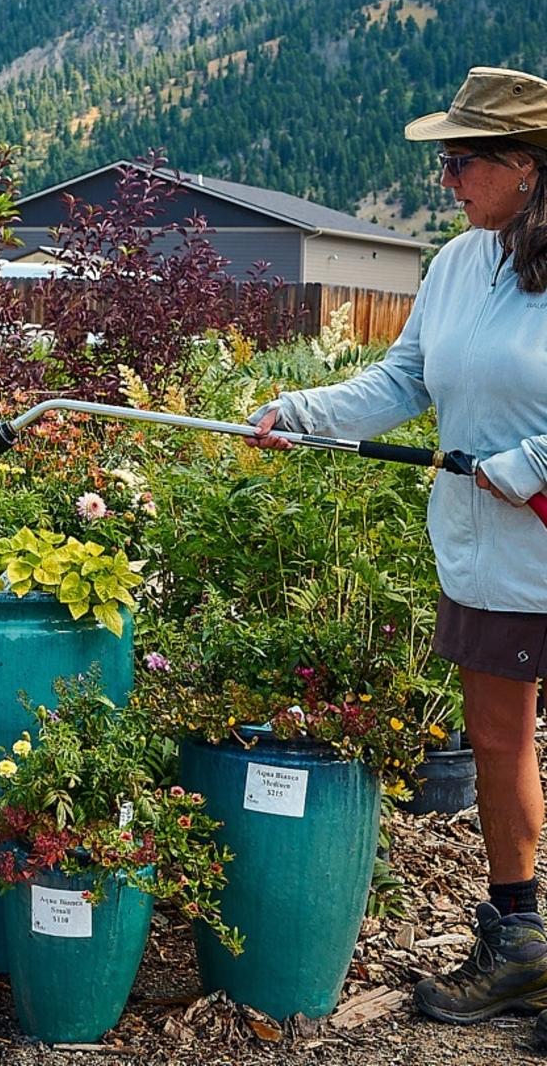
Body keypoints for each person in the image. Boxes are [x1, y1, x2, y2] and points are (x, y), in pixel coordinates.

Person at [248, 66, 547, 1032]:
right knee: (500, 745)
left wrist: (532, 459)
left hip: (529, 517)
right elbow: (404, 378)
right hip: (491, 553)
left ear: (529, 169)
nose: (448, 176)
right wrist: (304, 413)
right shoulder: (461, 263)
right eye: (446, 159)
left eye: (465, 159)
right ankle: (522, 945)